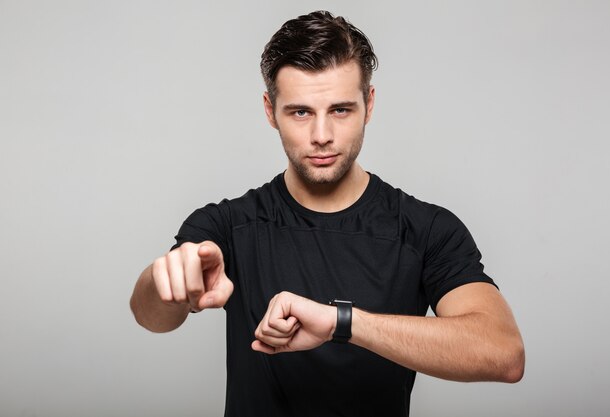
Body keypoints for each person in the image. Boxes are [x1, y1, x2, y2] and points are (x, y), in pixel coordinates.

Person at [130, 10, 525, 417]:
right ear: (270, 111)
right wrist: (169, 282)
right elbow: (151, 317)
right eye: (300, 112)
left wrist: (343, 323)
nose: (321, 136)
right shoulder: (228, 226)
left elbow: (504, 353)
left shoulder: (426, 230)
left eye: (340, 110)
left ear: (369, 104)